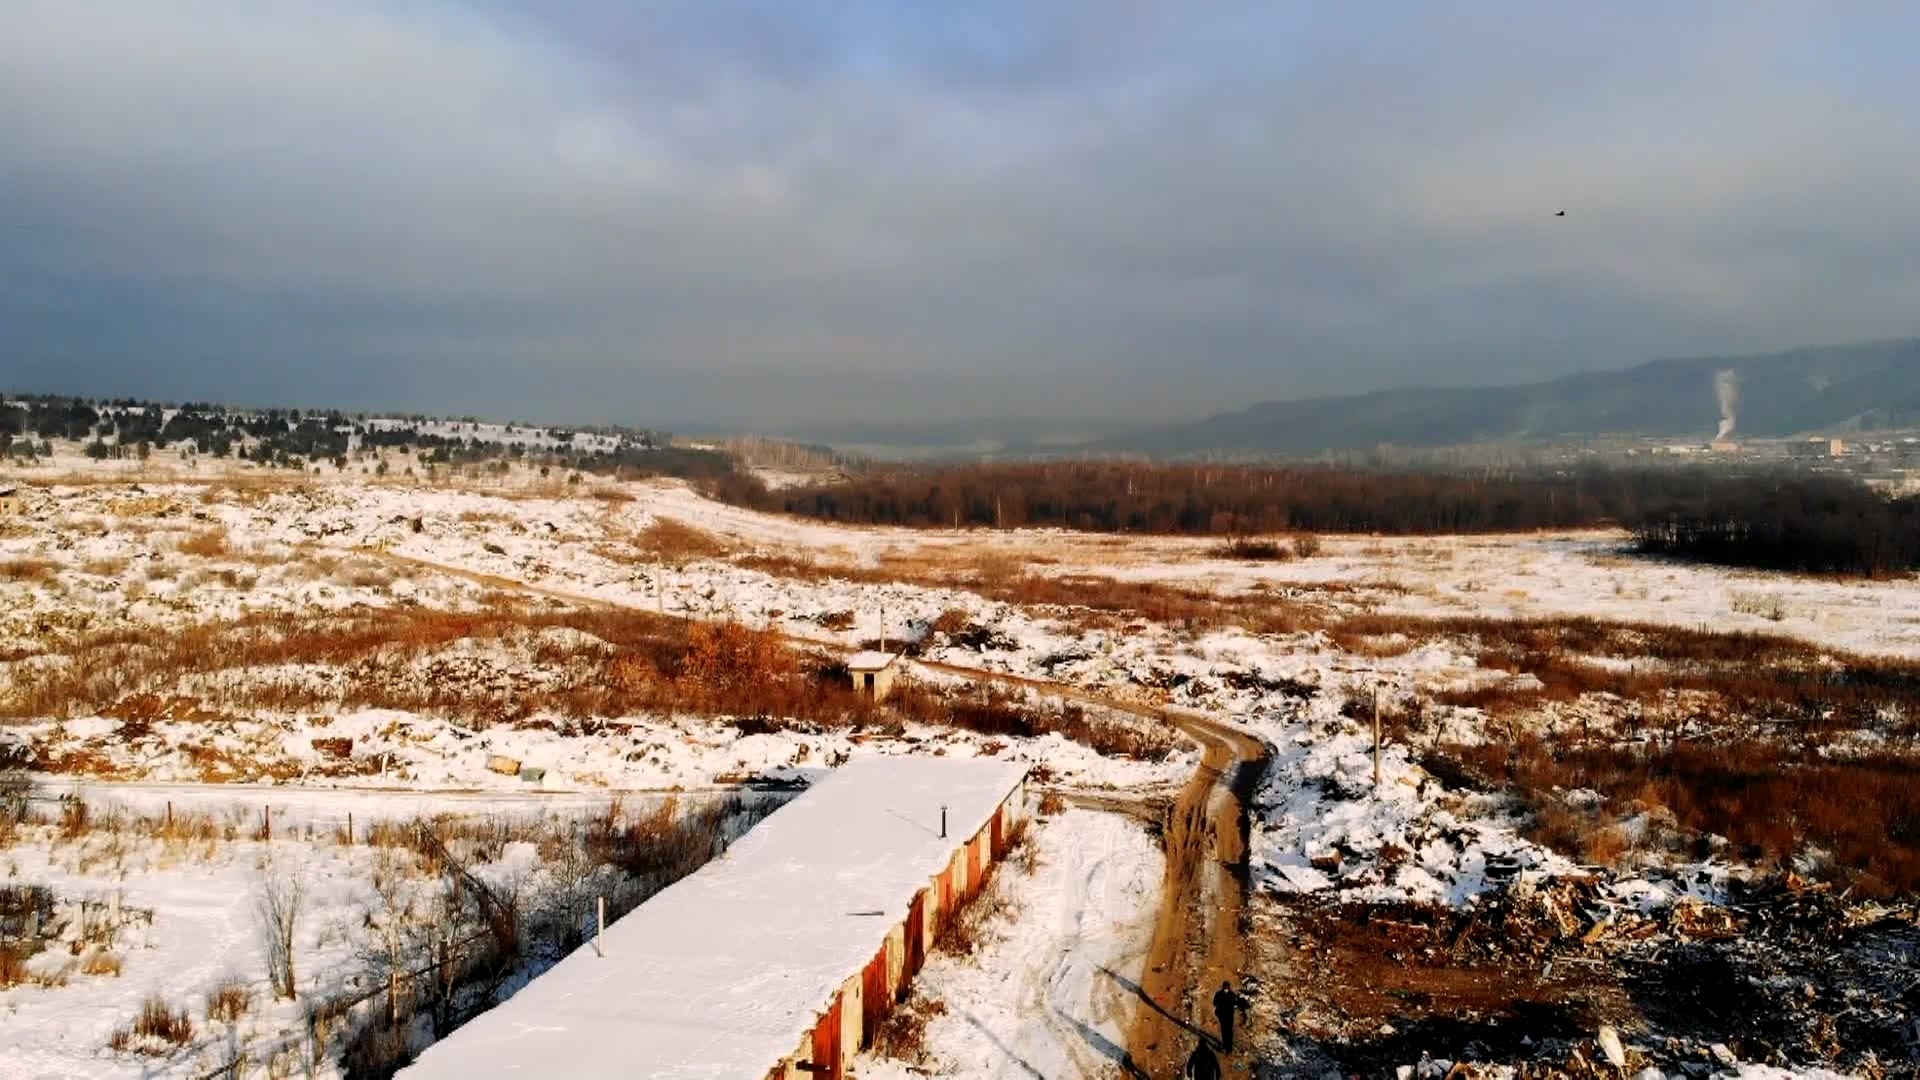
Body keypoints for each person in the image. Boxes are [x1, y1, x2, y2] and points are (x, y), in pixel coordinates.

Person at [1212, 980, 1248, 1053]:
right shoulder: (1229, 994)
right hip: (1224, 1016)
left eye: (1226, 988)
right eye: (1225, 988)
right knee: (1226, 1031)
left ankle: (1228, 1047)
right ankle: (1227, 1047)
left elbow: (1215, 1003)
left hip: (1227, 1016)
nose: (1226, 990)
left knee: (1227, 1031)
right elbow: (1215, 1002)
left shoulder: (1225, 994)